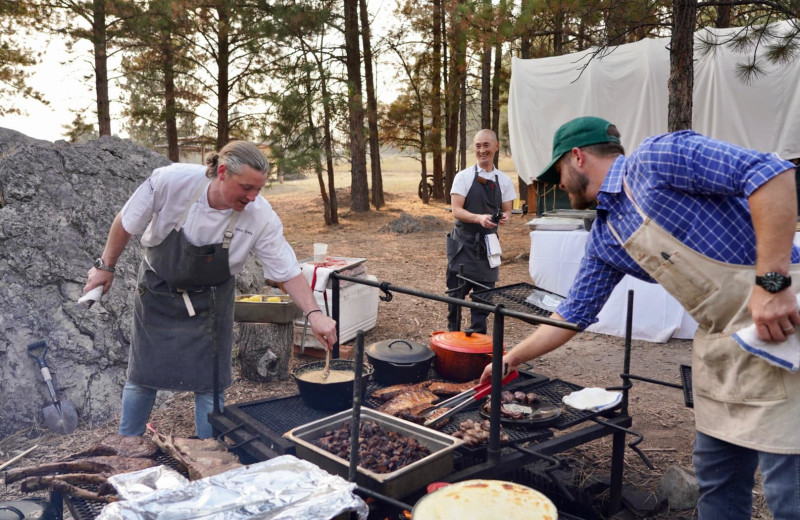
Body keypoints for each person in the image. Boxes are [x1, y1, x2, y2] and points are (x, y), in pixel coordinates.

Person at [480, 116, 800, 520]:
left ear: (577, 157)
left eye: (558, 171)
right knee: (718, 482)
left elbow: (771, 173)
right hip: (723, 346)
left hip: (783, 325)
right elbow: (573, 314)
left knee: (789, 493)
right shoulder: (605, 235)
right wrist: (512, 358)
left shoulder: (657, 158)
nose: (557, 184)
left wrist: (772, 283)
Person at [83, 140, 337, 439]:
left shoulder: (260, 215)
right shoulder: (170, 181)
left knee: (211, 381)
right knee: (142, 376)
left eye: (259, 189)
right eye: (246, 187)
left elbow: (287, 271)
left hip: (213, 300)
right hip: (158, 290)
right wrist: (105, 266)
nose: (253, 197)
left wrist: (315, 313)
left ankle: (209, 451)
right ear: (221, 172)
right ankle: (127, 445)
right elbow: (125, 222)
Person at [446, 129, 517, 334]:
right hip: (462, 245)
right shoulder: (464, 177)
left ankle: (477, 338)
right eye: (478, 146)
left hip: (488, 246)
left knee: (484, 297)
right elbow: (456, 210)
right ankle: (452, 337)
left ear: (496, 147)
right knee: (455, 296)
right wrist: (478, 218)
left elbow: (507, 210)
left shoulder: (503, 180)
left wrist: (505, 217)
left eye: (486, 145)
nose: (482, 150)